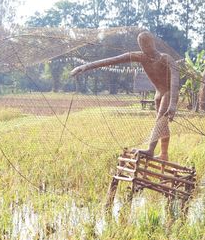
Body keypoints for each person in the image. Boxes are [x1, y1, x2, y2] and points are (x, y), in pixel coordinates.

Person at [71, 31, 179, 161]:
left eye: (147, 45)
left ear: (152, 43)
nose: (145, 48)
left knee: (160, 121)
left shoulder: (166, 58)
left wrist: (173, 104)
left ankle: (150, 150)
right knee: (163, 124)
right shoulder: (140, 57)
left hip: (168, 93)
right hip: (158, 94)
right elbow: (114, 60)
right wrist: (85, 67)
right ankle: (164, 154)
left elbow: (175, 81)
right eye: (142, 46)